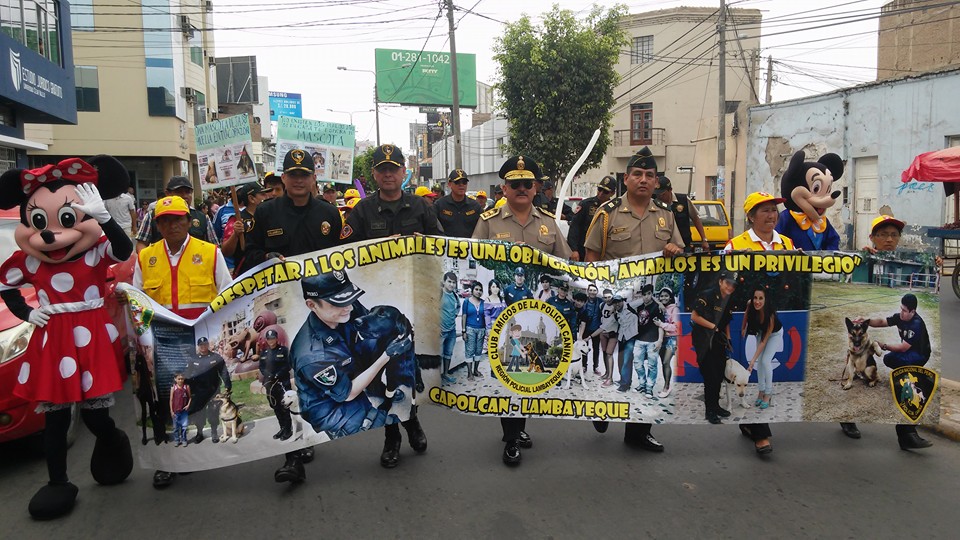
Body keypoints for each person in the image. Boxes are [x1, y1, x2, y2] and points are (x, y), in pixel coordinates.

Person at [242, 149, 344, 482]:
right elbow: (250, 255)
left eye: (305, 174)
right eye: (293, 174)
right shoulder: (267, 213)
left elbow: (346, 258)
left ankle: (309, 432)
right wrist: (268, 255)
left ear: (314, 178)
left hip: (317, 310)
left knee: (312, 373)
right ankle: (292, 450)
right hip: (280, 308)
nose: (299, 180)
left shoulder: (330, 213)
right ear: (283, 178)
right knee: (281, 378)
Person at [473, 155, 572, 466]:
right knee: (508, 375)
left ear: (536, 188)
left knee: (529, 373)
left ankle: (519, 425)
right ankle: (511, 437)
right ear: (504, 188)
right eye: (514, 184)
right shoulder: (488, 222)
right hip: (503, 317)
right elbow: (472, 262)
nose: (520, 188)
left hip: (537, 318)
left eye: (526, 184)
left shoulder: (548, 223)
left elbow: (566, 266)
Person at [583, 146, 683, 452]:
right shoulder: (607, 214)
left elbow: (679, 250)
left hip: (647, 306)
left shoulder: (666, 216)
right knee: (616, 359)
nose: (643, 179)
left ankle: (639, 432)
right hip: (616, 307)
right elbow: (591, 259)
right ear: (626, 179)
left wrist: (675, 250)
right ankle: (604, 408)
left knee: (643, 364)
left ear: (656, 182)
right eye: (637, 174)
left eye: (649, 175)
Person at [341, 144, 434, 469]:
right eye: (382, 169)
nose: (389, 174)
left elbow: (441, 245)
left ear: (403, 172)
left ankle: (412, 421)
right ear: (375, 175)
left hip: (411, 304)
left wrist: (424, 242)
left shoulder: (420, 206)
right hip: (377, 312)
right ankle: (393, 437)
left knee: (406, 372)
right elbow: (343, 256)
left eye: (394, 168)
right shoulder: (361, 212)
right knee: (382, 375)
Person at [134, 195, 233, 488]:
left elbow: (227, 294)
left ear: (190, 222)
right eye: (165, 220)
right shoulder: (145, 257)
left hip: (198, 340)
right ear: (157, 225)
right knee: (166, 402)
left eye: (178, 219)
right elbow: (137, 299)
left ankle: (196, 452)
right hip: (163, 343)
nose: (172, 225)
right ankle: (166, 462)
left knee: (198, 398)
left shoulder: (211, 252)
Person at [291, 272, 407, 447]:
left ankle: (385, 392)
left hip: (346, 361)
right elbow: (349, 393)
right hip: (333, 407)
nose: (349, 308)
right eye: (337, 303)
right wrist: (386, 356)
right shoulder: (312, 355)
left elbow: (370, 321)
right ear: (312, 305)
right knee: (386, 424)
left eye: (349, 299)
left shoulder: (343, 308)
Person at [722, 192, 793, 454]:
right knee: (750, 368)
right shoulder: (735, 244)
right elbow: (725, 281)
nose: (772, 215)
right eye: (764, 210)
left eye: (774, 210)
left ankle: (758, 428)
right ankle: (757, 426)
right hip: (748, 316)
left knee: (763, 365)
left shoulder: (786, 243)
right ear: (751, 216)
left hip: (773, 317)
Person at [841, 214, 907, 441]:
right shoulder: (862, 259)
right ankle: (848, 422)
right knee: (853, 358)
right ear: (872, 237)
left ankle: (907, 432)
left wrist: (937, 264)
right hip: (860, 321)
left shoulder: (906, 259)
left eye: (894, 234)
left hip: (884, 324)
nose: (889, 239)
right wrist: (861, 256)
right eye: (883, 234)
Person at [691, 271, 738, 425]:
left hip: (718, 340)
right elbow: (695, 317)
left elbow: (726, 323)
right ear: (720, 282)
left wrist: (728, 339)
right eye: (727, 283)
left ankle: (716, 406)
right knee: (710, 376)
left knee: (718, 374)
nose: (730, 287)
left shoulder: (729, 300)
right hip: (703, 339)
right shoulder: (707, 294)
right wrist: (714, 327)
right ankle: (709, 410)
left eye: (733, 284)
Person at [136, 176, 219, 252]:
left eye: (188, 192)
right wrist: (147, 262)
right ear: (167, 193)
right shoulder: (152, 216)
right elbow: (141, 244)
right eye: (179, 192)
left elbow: (214, 246)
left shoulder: (203, 218)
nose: (185, 196)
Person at [183, 337, 231, 445]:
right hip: (199, 391)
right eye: (201, 345)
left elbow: (223, 371)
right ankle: (199, 433)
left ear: (208, 345)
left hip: (213, 390)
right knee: (199, 413)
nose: (203, 347)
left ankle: (214, 432)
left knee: (213, 412)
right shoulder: (193, 359)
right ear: (198, 346)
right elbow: (187, 373)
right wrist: (181, 384)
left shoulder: (215, 357)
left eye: (205, 344)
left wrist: (227, 384)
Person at [221, 182, 270, 276]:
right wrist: (235, 234)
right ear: (252, 198)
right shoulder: (237, 219)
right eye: (262, 194)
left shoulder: (269, 216)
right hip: (246, 275)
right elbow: (225, 251)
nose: (267, 196)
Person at [624, 284, 663, 399]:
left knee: (652, 366)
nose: (646, 297)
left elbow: (660, 325)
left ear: (652, 294)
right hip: (639, 340)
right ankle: (642, 384)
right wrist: (643, 299)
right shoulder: (639, 306)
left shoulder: (657, 307)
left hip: (653, 340)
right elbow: (628, 305)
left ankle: (649, 387)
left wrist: (660, 340)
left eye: (649, 294)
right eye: (644, 294)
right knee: (638, 364)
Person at [567, 176, 616, 261]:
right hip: (583, 251)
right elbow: (574, 227)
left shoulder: (614, 208)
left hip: (606, 254)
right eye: (599, 189)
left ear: (612, 193)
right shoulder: (586, 205)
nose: (601, 193)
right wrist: (574, 250)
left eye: (605, 192)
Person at [655, 176, 710, 253]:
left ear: (670, 190)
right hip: (665, 248)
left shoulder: (683, 200)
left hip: (684, 246)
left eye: (663, 194)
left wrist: (704, 240)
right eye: (658, 194)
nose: (660, 197)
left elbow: (696, 218)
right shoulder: (655, 203)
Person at [260, 328, 294, 440]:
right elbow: (261, 367)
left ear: (276, 338)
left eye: (273, 338)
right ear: (266, 340)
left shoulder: (283, 350)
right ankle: (282, 428)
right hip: (270, 384)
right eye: (269, 339)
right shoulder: (264, 352)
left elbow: (288, 365)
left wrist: (278, 374)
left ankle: (288, 430)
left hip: (282, 383)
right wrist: (268, 375)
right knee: (275, 407)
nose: (271, 341)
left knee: (284, 406)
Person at [434, 169, 483, 237]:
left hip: (469, 246)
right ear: (449, 184)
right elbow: (432, 228)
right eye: (457, 182)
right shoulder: (440, 205)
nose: (461, 185)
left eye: (464, 182)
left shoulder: (475, 206)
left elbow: (483, 229)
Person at [461, 280, 486, 381]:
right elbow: (464, 316)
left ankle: (476, 370)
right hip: (470, 329)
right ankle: (469, 373)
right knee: (470, 350)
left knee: (479, 350)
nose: (478, 292)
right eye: (476, 289)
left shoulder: (484, 303)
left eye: (480, 290)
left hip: (481, 329)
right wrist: (463, 331)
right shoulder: (467, 301)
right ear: (472, 290)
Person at [657, 287, 680, 398]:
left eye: (666, 296)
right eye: (661, 296)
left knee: (666, 362)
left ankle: (666, 387)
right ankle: (667, 385)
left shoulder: (674, 309)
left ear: (670, 297)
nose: (664, 298)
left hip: (672, 338)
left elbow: (676, 327)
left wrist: (661, 324)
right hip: (662, 339)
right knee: (663, 363)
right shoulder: (659, 308)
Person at [440, 271, 461, 384]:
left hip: (451, 330)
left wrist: (454, 315)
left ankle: (446, 373)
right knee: (437, 355)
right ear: (444, 282)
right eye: (449, 282)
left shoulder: (455, 296)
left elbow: (458, 307)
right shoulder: (439, 294)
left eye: (454, 282)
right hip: (440, 331)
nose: (452, 285)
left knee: (448, 353)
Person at [169, 373, 191, 447]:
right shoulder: (173, 388)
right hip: (175, 411)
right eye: (179, 379)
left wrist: (188, 405)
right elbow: (171, 400)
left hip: (184, 411)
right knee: (175, 427)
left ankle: (184, 439)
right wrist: (171, 411)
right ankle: (177, 440)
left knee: (184, 427)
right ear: (175, 379)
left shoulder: (186, 387)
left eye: (182, 379)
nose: (180, 380)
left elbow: (190, 398)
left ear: (184, 379)